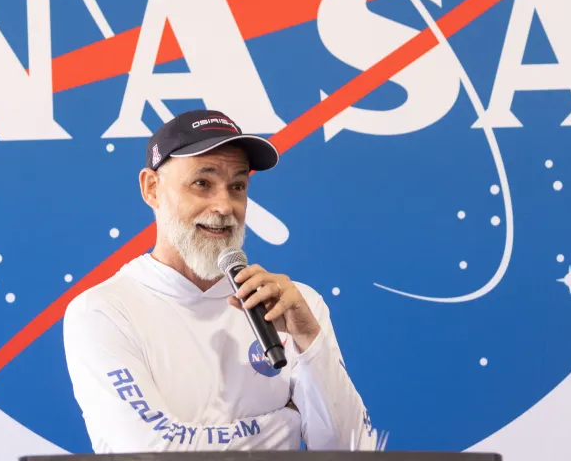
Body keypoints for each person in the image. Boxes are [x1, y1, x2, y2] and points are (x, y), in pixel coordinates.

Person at [62, 109, 380, 452]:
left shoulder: (294, 305)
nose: (224, 206)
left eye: (237, 186)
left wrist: (309, 339)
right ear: (152, 188)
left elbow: (352, 449)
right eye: (202, 183)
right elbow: (152, 451)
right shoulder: (102, 311)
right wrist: (287, 423)